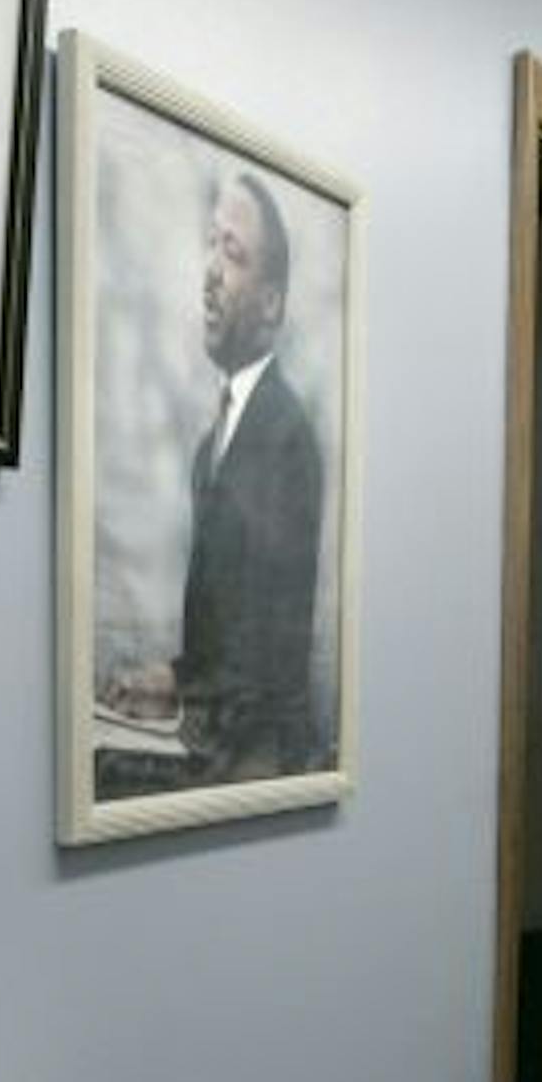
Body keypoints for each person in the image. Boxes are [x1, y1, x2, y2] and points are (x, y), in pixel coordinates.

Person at [101, 170, 324, 786]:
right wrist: (172, 678)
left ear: (272, 303)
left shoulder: (286, 438)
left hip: (264, 759)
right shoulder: (210, 449)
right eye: (209, 243)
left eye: (233, 253)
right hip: (222, 738)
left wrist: (181, 697)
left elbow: (269, 667)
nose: (210, 270)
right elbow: (225, 642)